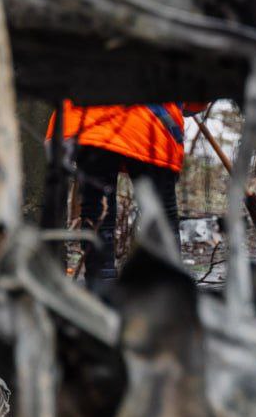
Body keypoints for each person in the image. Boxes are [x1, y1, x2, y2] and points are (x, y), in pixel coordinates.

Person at [47, 102, 203, 289]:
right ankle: (166, 290)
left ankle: (100, 291)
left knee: (97, 212)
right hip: (151, 124)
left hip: (88, 119)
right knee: (161, 215)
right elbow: (197, 97)